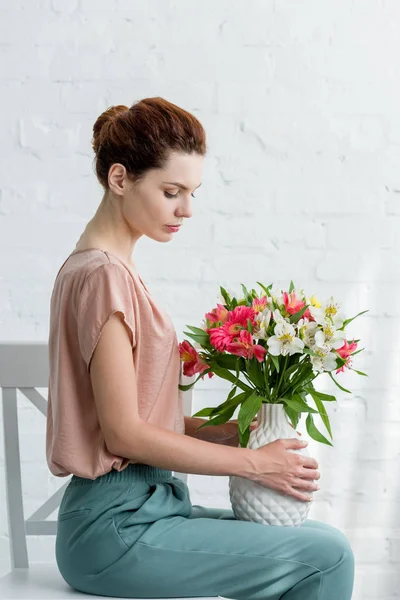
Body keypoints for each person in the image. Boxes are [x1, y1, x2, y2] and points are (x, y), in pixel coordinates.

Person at [46, 96, 354, 599]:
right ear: (120, 179)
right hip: (115, 529)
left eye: (192, 192)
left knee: (319, 540)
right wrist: (257, 464)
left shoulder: (102, 269)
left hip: (144, 509)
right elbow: (123, 436)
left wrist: (233, 433)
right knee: (327, 558)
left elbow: (131, 419)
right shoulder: (103, 276)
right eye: (172, 191)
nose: (187, 209)